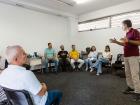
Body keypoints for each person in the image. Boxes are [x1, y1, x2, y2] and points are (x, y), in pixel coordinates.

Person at [110, 19, 140, 101]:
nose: (121, 26)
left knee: (134, 74)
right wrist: (116, 42)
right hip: (126, 56)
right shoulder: (127, 33)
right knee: (127, 73)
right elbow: (125, 44)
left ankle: (138, 92)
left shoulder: (135, 31)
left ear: (126, 25)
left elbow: (138, 43)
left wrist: (128, 40)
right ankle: (131, 87)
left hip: (133, 56)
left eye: (122, 25)